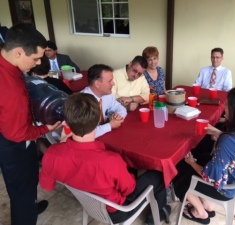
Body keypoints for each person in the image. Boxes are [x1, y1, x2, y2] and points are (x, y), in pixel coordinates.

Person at [39, 93, 171, 224]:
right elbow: (129, 189)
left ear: (66, 123)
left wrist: (62, 142)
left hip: (88, 205)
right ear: (98, 120)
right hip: (118, 211)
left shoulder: (52, 153)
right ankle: (157, 216)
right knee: (158, 174)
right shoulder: (110, 160)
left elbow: (47, 186)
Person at [173, 87, 235, 224]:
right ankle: (207, 204)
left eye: (227, 105)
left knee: (179, 169)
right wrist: (221, 134)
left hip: (224, 189)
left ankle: (200, 212)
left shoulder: (228, 141)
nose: (225, 108)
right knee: (205, 157)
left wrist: (191, 162)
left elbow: (211, 177)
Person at [0, 23, 61, 225]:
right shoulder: (10, 91)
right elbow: (16, 134)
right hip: (13, 144)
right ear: (18, 52)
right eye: (35, 58)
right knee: (21, 189)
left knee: (30, 179)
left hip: (16, 131)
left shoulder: (9, 63)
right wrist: (46, 129)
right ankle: (26, 213)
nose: (37, 64)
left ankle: (31, 204)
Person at [81, 64, 127, 138]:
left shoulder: (107, 95)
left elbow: (121, 108)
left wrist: (118, 116)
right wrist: (110, 126)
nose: (113, 84)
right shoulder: (81, 102)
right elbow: (85, 133)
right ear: (97, 83)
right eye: (110, 81)